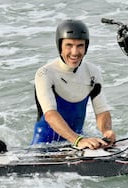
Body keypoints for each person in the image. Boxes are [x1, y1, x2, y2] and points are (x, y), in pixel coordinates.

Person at [31, 19, 116, 149]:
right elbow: (50, 115)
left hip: (78, 143)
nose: (75, 52)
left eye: (80, 45)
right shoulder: (45, 73)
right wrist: (78, 140)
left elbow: (102, 111)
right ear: (60, 46)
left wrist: (107, 131)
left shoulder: (92, 72)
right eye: (69, 45)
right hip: (44, 146)